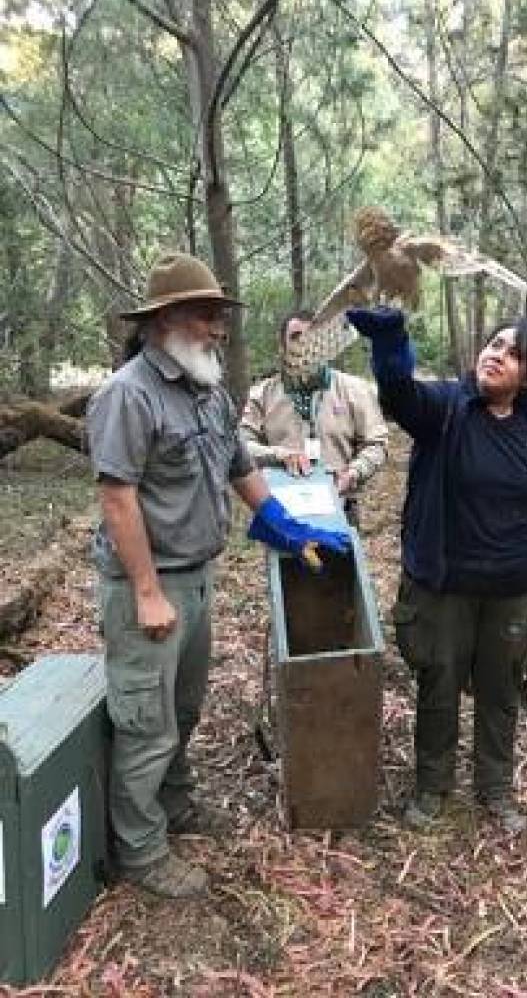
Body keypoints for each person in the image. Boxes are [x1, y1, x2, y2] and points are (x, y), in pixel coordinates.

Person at [86, 253, 350, 898]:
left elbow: (239, 468)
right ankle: (142, 853)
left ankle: (174, 806)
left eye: (219, 316)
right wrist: (148, 592)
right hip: (148, 587)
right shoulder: (128, 395)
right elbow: (117, 498)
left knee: (182, 708)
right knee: (146, 722)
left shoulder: (208, 389)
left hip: (197, 577)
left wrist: (289, 528)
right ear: (166, 319)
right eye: (207, 316)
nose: (219, 328)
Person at [345, 306, 527, 831]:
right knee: (438, 686)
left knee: (501, 691)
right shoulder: (446, 407)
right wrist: (391, 346)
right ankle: (432, 787)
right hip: (444, 586)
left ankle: (495, 789)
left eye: (514, 353)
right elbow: (402, 397)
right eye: (494, 344)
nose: (498, 355)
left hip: (516, 590)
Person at [241, 309, 388, 525]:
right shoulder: (261, 395)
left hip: (340, 507)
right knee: (285, 560)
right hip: (283, 514)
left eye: (313, 335)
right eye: (296, 336)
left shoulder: (355, 390)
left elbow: (377, 443)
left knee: (341, 558)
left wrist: (355, 473)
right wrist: (278, 454)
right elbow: (240, 446)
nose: (305, 343)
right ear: (282, 345)